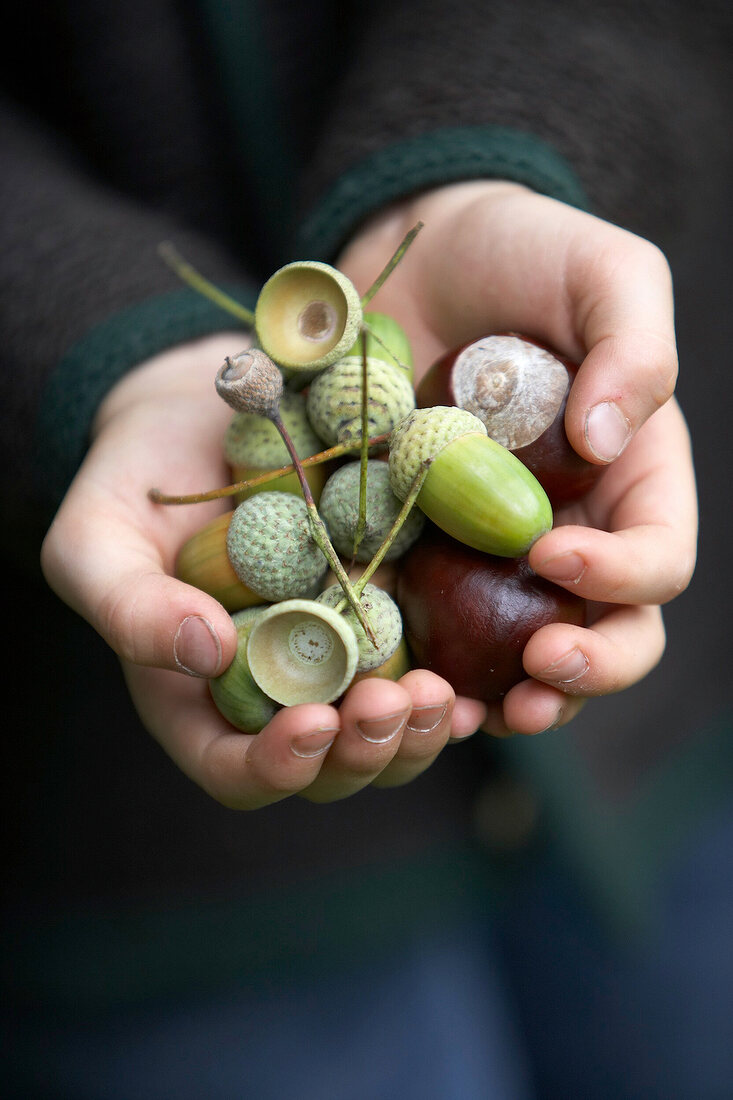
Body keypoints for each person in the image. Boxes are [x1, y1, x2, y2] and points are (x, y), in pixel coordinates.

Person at [2, 1, 730, 1096]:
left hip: (669, 767)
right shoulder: (308, 480)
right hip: (167, 886)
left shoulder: (403, 439)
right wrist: (94, 343)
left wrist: (480, 161)